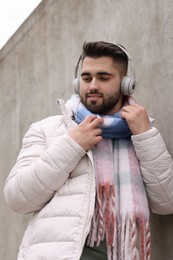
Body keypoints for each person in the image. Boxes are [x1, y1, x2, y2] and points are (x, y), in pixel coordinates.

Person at [4, 41, 173, 260]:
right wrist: (71, 145)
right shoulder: (48, 130)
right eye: (86, 78)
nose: (92, 85)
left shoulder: (141, 132)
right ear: (77, 83)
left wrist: (145, 136)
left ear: (125, 84)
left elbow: (167, 203)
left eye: (103, 78)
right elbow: (17, 198)